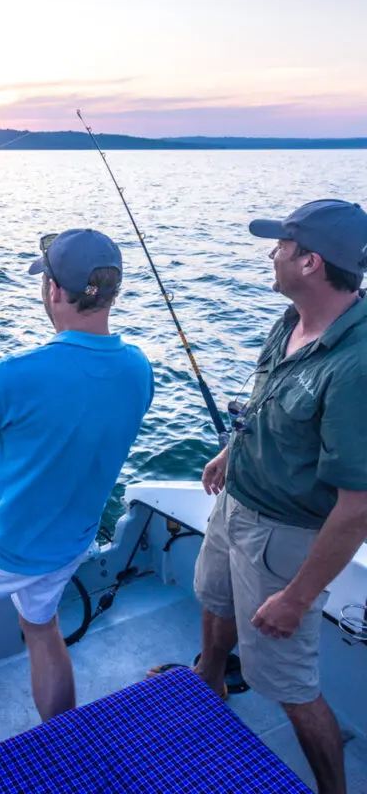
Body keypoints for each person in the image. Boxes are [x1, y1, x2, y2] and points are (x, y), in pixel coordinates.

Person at [0, 228, 154, 768]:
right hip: (67, 545)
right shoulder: (139, 369)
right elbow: (67, 429)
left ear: (55, 293)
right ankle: (60, 745)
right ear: (110, 292)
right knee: (42, 630)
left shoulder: (17, 375)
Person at [180, 200, 367, 794]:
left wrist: (297, 596)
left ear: (311, 262)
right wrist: (231, 453)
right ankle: (208, 681)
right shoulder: (289, 321)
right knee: (213, 596)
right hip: (235, 502)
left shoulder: (356, 367)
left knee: (287, 683)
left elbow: (358, 506)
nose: (271, 255)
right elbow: (267, 403)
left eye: (281, 247)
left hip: (282, 538)